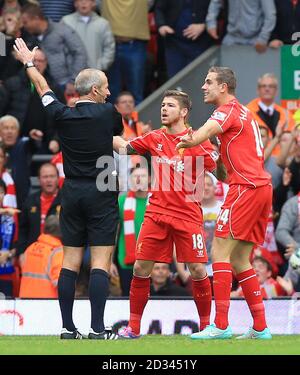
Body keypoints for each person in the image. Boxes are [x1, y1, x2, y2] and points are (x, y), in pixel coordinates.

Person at [13, 37, 123, 340]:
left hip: (71, 192)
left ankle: (67, 328)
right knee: (101, 261)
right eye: (107, 87)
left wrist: (28, 63)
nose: (110, 92)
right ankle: (98, 330)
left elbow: (42, 88)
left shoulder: (61, 114)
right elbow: (115, 137)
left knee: (70, 262)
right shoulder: (108, 112)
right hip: (101, 190)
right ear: (97, 90)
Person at [176, 66, 273, 340]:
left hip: (245, 188)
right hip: (261, 187)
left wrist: (183, 140)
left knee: (219, 253)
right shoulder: (244, 112)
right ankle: (261, 327)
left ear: (224, 87)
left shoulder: (226, 111)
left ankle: (220, 325)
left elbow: (196, 137)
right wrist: (215, 158)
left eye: (209, 82)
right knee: (241, 258)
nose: (204, 87)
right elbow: (223, 168)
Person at [113, 89, 219, 338]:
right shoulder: (154, 137)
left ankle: (206, 327)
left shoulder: (198, 140)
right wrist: (100, 131)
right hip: (157, 213)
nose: (163, 109)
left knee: (197, 271)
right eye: (162, 104)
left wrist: (221, 153)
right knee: (140, 268)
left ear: (183, 112)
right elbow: (124, 147)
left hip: (188, 215)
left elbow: (221, 174)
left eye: (170, 105)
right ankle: (134, 328)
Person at [17, 162, 61, 255]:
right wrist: (21, 253)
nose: (49, 180)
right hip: (33, 253)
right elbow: (23, 231)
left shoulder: (67, 200)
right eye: (45, 177)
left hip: (58, 253)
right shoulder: (30, 201)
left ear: (58, 178)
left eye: (52, 176)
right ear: (39, 179)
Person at [247, 73, 295, 155]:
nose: (267, 89)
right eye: (263, 86)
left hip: (280, 162)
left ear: (276, 91)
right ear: (258, 90)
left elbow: (293, 142)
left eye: (271, 86)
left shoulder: (286, 115)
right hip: (255, 159)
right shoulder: (247, 112)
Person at [61, 0, 115, 72]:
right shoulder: (66, 21)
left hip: (95, 73)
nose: (84, 3)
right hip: (72, 75)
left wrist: (100, 66)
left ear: (93, 3)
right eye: (80, 0)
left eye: (87, 0)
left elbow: (109, 48)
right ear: (75, 3)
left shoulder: (103, 23)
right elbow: (60, 47)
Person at [19, 215, 63, 298]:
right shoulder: (57, 252)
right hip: (47, 302)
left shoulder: (30, 248)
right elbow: (60, 283)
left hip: (25, 299)